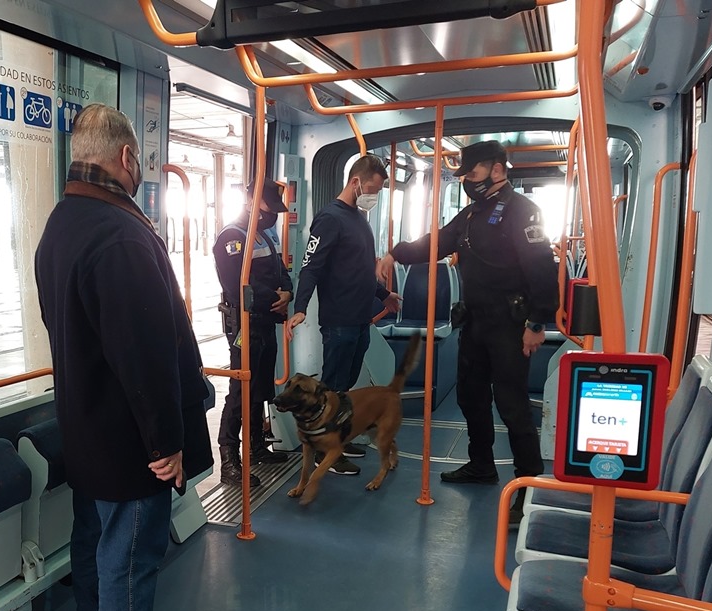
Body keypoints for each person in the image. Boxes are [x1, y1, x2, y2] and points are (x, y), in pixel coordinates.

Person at [35, 104, 212, 611]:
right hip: (130, 435)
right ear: (127, 158)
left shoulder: (61, 225)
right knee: (131, 551)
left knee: (93, 538)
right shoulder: (122, 235)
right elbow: (143, 352)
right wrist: (165, 440)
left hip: (84, 423)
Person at [378, 140, 558, 523]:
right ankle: (482, 465)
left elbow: (543, 269)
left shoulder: (525, 213)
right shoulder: (473, 214)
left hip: (511, 326)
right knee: (471, 397)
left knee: (512, 408)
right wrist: (395, 251)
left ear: (497, 169)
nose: (467, 182)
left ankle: (527, 489)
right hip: (475, 322)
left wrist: (537, 324)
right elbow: (438, 243)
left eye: (472, 174)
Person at [286, 154, 401, 476]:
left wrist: (384, 294)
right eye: (372, 189)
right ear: (355, 182)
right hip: (338, 320)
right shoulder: (330, 219)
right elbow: (311, 268)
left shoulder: (359, 218)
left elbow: (363, 268)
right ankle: (328, 452)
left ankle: (342, 437)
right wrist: (300, 308)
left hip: (360, 318)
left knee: (346, 388)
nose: (373, 197)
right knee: (333, 387)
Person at [213, 179, 293, 487]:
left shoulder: (265, 235)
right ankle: (229, 459)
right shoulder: (231, 238)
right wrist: (277, 299)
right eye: (268, 208)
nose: (273, 214)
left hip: (266, 322)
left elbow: (281, 270)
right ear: (251, 202)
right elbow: (237, 286)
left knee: (260, 388)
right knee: (240, 390)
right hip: (244, 326)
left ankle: (257, 447)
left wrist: (287, 291)